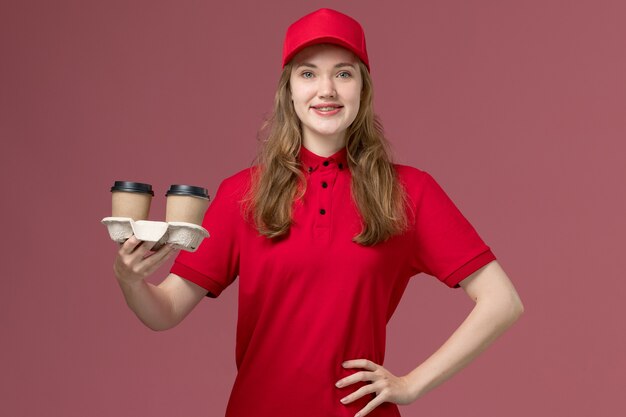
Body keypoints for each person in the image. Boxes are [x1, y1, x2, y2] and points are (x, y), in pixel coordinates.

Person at [112, 8, 524, 417]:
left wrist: (412, 385)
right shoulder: (242, 193)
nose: (326, 89)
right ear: (288, 90)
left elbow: (502, 301)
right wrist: (129, 280)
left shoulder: (409, 191)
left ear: (362, 88)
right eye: (308, 74)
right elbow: (164, 312)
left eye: (343, 74)